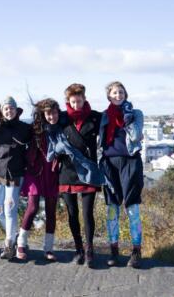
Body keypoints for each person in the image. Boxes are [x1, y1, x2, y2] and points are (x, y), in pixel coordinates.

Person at [57, 83, 103, 268]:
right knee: (72, 213)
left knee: (87, 213)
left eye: (79, 100)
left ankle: (90, 249)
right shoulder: (61, 118)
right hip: (67, 171)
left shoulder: (95, 117)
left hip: (88, 170)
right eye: (73, 101)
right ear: (68, 101)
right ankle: (78, 249)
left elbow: (115, 125)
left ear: (84, 99)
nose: (77, 105)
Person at [99, 81, 144, 268]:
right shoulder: (103, 116)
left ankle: (136, 251)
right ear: (109, 96)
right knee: (112, 208)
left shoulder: (135, 114)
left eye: (121, 92)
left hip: (130, 161)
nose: (119, 95)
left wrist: (127, 119)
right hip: (109, 163)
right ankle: (114, 250)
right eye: (115, 92)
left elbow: (135, 136)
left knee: (132, 206)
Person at [17, 98, 61, 261]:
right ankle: (21, 243)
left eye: (54, 113)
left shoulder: (61, 128)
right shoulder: (34, 129)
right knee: (32, 207)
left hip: (52, 172)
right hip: (35, 171)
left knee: (51, 210)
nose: (52, 116)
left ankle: (48, 248)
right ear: (43, 114)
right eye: (49, 113)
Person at [0, 96, 33, 260]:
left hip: (15, 174)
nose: (9, 111)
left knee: (9, 210)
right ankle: (15, 236)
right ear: (2, 111)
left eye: (11, 108)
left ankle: (9, 244)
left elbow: (35, 143)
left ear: (16, 110)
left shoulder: (25, 128)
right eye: (6, 109)